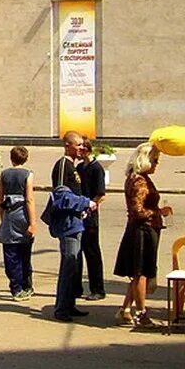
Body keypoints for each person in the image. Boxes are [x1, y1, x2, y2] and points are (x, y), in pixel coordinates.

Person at [114, 143, 172, 328]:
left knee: (140, 273)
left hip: (144, 229)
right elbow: (138, 211)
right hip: (142, 231)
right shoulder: (139, 181)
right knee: (141, 273)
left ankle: (125, 310)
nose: (157, 164)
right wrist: (158, 212)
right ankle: (141, 313)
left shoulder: (138, 177)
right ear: (145, 160)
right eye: (154, 160)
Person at [50, 132, 95, 319]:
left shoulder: (74, 167)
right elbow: (60, 196)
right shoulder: (62, 165)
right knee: (68, 264)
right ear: (68, 145)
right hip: (67, 223)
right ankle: (61, 309)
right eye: (78, 145)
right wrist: (85, 202)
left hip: (77, 222)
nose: (81, 149)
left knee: (75, 266)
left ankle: (70, 305)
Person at [0, 146, 37, 300]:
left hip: (9, 216)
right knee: (25, 253)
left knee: (11, 253)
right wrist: (32, 222)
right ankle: (26, 285)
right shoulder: (28, 174)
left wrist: (3, 217)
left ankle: (16, 287)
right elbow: (29, 199)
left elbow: (0, 199)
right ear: (26, 159)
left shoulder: (4, 174)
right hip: (23, 216)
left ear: (11, 158)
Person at [76, 137, 108, 301]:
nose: (78, 151)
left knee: (92, 252)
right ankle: (77, 288)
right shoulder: (80, 167)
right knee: (77, 251)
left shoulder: (96, 168)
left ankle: (98, 289)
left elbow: (101, 194)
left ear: (87, 150)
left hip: (90, 216)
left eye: (81, 148)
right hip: (78, 213)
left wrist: (91, 206)